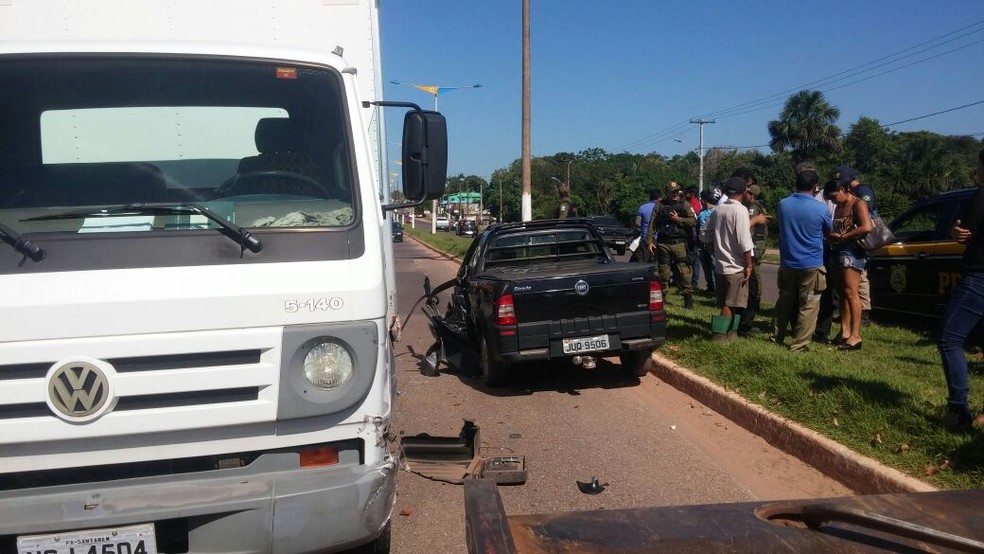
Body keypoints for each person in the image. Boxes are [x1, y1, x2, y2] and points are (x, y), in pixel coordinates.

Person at [936, 148, 984, 427]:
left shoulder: (982, 196)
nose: (976, 171)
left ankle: (958, 408)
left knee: (949, 337)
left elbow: (966, 233)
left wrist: (957, 231)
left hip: (979, 276)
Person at [774, 169, 831, 353]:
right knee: (809, 304)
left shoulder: (783, 204)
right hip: (811, 263)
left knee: (784, 301)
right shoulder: (821, 208)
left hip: (788, 262)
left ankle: (776, 336)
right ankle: (799, 344)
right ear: (815, 187)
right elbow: (829, 232)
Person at [701, 177, 753, 341]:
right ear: (743, 192)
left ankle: (732, 334)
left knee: (734, 302)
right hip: (736, 265)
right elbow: (745, 241)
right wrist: (749, 265)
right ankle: (719, 336)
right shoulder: (741, 210)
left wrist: (713, 250)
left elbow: (704, 233)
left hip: (721, 265)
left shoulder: (719, 209)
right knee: (730, 304)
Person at [825, 179, 872, 350]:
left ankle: (855, 336)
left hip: (851, 251)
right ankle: (844, 331)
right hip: (837, 249)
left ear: (843, 189)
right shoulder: (838, 206)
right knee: (842, 293)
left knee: (852, 293)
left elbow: (867, 227)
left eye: (834, 196)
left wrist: (845, 236)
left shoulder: (858, 203)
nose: (832, 200)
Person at [647, 181, 697, 308]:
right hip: (663, 243)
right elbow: (652, 224)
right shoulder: (659, 205)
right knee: (663, 272)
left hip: (679, 243)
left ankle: (688, 300)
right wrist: (650, 241)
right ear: (667, 193)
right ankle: (662, 298)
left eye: (677, 192)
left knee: (684, 271)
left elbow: (693, 221)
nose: (675, 194)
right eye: (672, 192)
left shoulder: (685, 205)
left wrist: (678, 219)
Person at [836, 166, 874, 326]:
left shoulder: (863, 191)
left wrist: (846, 234)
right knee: (850, 285)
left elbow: (866, 214)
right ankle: (849, 315)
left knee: (861, 279)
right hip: (850, 240)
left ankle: (863, 314)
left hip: (860, 240)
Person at [738, 182, 770, 336]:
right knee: (755, 276)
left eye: (748, 193)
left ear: (752, 195)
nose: (746, 195)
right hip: (758, 244)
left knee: (753, 276)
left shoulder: (753, 207)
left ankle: (751, 310)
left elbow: (747, 225)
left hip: (754, 245)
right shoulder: (760, 207)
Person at [695, 188, 719, 292]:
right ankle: (711, 286)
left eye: (702, 199)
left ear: (705, 200)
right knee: (706, 267)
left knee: (715, 266)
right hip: (702, 244)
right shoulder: (701, 212)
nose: (700, 201)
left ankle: (718, 288)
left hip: (712, 243)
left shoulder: (716, 211)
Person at [633, 190, 659, 263]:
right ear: (659, 198)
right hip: (658, 238)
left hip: (645, 238)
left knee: (643, 261)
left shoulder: (642, 208)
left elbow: (637, 223)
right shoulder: (661, 208)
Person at [685, 185, 702, 290]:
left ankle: (694, 281)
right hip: (690, 235)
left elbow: (694, 220)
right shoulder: (692, 203)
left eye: (687, 193)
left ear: (692, 194)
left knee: (694, 259)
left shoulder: (695, 204)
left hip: (693, 236)